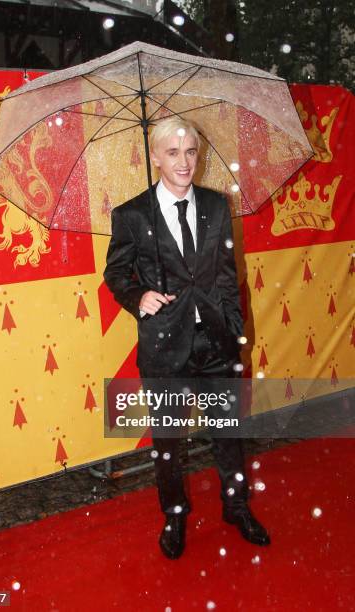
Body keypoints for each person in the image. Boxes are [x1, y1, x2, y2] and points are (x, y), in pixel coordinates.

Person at [104, 116, 270, 559]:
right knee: (168, 445)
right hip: (164, 347)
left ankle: (236, 507)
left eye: (191, 151)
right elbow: (116, 273)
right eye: (173, 152)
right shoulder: (132, 215)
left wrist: (236, 335)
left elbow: (227, 277)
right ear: (155, 157)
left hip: (216, 342)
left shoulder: (216, 206)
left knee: (228, 434)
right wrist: (139, 295)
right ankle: (174, 516)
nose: (184, 161)